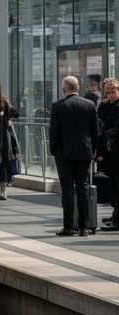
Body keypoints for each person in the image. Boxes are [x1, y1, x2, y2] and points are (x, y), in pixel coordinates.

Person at [49, 75, 99, 237]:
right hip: (84, 152)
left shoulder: (58, 106)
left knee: (68, 190)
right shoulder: (90, 105)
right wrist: (93, 150)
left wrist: (53, 150)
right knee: (82, 188)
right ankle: (84, 227)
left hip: (64, 154)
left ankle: (69, 227)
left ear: (64, 89)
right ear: (78, 88)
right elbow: (94, 131)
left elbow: (54, 132)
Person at [96, 78, 119, 230]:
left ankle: (117, 219)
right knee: (114, 185)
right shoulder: (107, 106)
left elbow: (115, 128)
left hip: (116, 150)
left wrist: (106, 134)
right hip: (110, 151)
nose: (110, 95)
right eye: (108, 92)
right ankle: (115, 214)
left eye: (113, 92)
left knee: (118, 184)